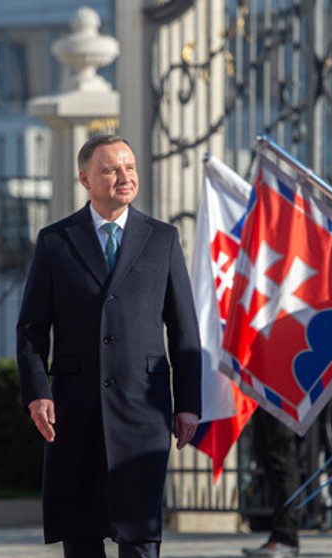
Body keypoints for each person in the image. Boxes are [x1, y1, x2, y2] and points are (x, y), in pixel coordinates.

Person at [16, 134, 202, 558]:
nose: (124, 176)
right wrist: (37, 393)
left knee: (139, 537)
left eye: (130, 167)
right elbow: (31, 328)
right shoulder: (55, 241)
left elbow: (184, 328)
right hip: (75, 409)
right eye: (111, 169)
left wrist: (188, 402)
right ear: (85, 178)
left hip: (143, 409)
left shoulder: (162, 239)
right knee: (81, 535)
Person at [241, 410, 302, 558]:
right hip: (265, 396)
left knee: (280, 456)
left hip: (281, 399)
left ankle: (286, 537)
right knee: (267, 454)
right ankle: (280, 535)